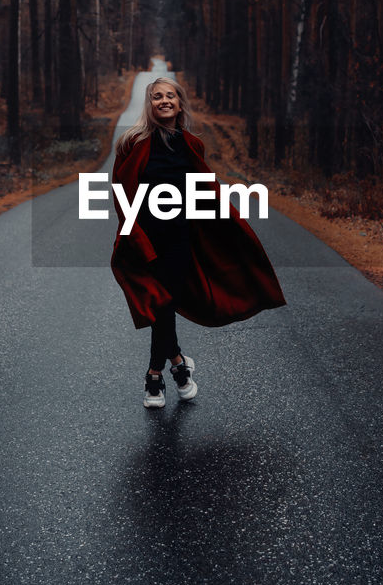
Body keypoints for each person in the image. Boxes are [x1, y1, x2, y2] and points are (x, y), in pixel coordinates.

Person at [111, 76, 286, 409]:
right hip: (145, 239)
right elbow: (122, 195)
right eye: (157, 96)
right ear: (150, 105)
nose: (164, 100)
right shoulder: (131, 144)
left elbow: (204, 193)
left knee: (165, 303)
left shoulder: (192, 144)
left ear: (180, 104)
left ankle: (154, 375)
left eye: (170, 96)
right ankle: (176, 364)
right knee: (159, 302)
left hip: (180, 238)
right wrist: (134, 236)